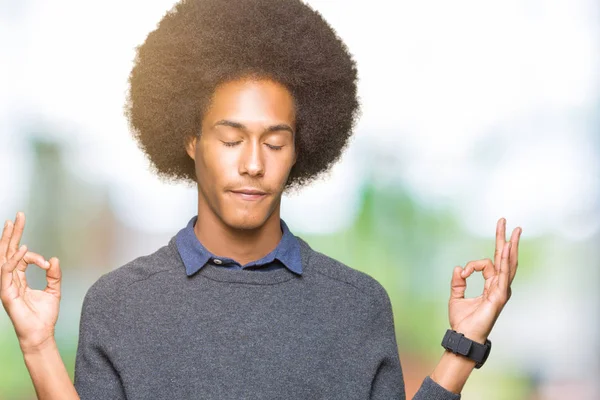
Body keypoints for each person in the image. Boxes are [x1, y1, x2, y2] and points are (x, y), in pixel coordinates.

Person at [0, 0, 522, 399]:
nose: (253, 163)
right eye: (230, 141)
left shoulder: (357, 305)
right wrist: (37, 346)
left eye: (274, 142)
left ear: (301, 148)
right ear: (190, 141)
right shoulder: (119, 305)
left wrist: (463, 345)